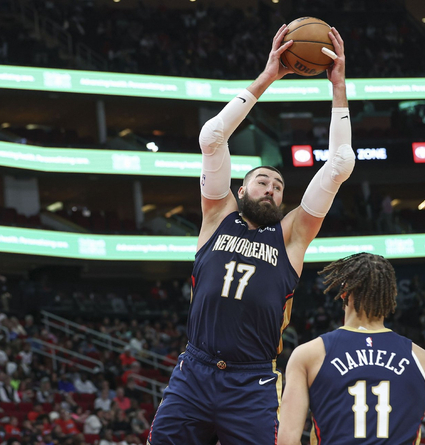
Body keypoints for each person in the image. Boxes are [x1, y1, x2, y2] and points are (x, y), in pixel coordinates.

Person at [148, 24, 355, 445]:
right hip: (195, 371)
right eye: (262, 181)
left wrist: (338, 86)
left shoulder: (292, 236)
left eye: (278, 186)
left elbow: (339, 163)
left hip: (252, 382)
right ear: (240, 191)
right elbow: (212, 137)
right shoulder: (217, 214)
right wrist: (268, 77)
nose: (271, 188)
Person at [277, 253, 425, 445]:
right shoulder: (422, 360)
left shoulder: (309, 355)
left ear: (344, 292)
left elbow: (286, 441)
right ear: (390, 296)